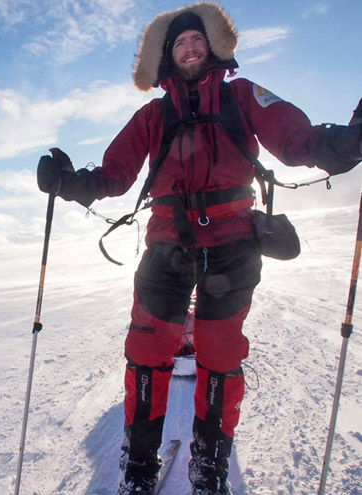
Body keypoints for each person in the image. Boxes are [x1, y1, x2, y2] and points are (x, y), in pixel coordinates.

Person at [36, 2, 362, 495]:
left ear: (212, 46)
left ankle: (209, 465)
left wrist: (345, 143)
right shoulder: (152, 115)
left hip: (232, 247)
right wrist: (70, 182)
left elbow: (297, 140)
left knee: (220, 355)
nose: (189, 48)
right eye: (179, 43)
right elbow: (114, 174)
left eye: (196, 41)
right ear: (166, 57)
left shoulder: (243, 97)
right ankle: (139, 464)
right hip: (166, 246)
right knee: (145, 353)